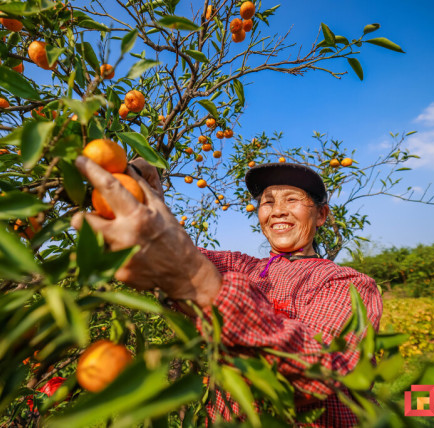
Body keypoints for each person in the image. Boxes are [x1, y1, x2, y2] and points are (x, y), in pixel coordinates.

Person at [71, 156, 382, 427]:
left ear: (322, 216)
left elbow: (321, 372)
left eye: (292, 200)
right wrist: (151, 201)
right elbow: (175, 253)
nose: (278, 211)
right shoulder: (240, 265)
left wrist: (199, 281)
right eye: (268, 201)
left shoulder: (346, 283)